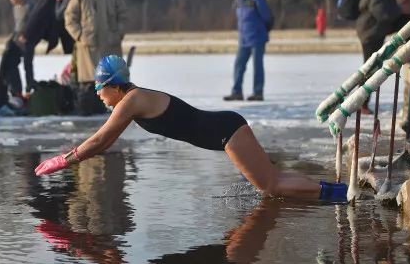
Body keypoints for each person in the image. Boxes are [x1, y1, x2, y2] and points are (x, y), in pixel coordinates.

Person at [35, 55, 347, 201]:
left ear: (114, 85)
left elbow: (103, 139)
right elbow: (105, 142)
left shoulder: (132, 100)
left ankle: (340, 195)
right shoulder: (132, 99)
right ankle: (338, 192)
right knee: (271, 181)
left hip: (227, 131)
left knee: (269, 186)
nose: (98, 94)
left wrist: (66, 159)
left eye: (100, 88)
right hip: (227, 128)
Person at [65, 0, 128, 115]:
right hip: (88, 49)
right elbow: (69, 19)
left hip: (110, 47)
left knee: (115, 88)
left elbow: (124, 15)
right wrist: (80, 36)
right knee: (88, 90)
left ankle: (117, 119)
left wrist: (118, 33)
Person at [356, 0, 410, 115]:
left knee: (372, 67)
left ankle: (363, 103)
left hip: (376, 30)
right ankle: (361, 103)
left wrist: (400, 9)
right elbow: (382, 13)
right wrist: (401, 9)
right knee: (370, 68)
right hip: (370, 32)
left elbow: (386, 11)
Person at [224, 0, 271, 102]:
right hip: (244, 40)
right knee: (238, 66)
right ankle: (237, 92)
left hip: (257, 39)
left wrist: (262, 32)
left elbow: (268, 18)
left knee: (257, 67)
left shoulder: (257, 0)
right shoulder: (238, 2)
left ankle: (258, 93)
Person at [0, 0, 32, 95]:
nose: (10, 0)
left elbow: (33, 24)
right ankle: (9, 86)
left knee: (27, 65)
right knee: (8, 60)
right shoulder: (15, 9)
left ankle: (29, 89)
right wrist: (11, 38)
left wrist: (26, 36)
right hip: (16, 39)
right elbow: (17, 26)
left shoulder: (29, 7)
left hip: (27, 39)